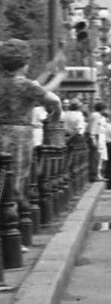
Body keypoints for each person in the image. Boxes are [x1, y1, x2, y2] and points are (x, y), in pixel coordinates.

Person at [0, 40, 62, 239]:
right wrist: (55, 115)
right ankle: (13, 233)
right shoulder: (25, 85)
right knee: (16, 179)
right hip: (19, 134)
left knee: (2, 179)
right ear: (24, 63)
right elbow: (52, 100)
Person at [88, 101, 107, 181]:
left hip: (97, 135)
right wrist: (92, 138)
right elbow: (93, 127)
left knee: (97, 156)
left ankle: (96, 173)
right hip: (95, 135)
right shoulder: (96, 116)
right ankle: (94, 174)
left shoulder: (96, 115)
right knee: (95, 157)